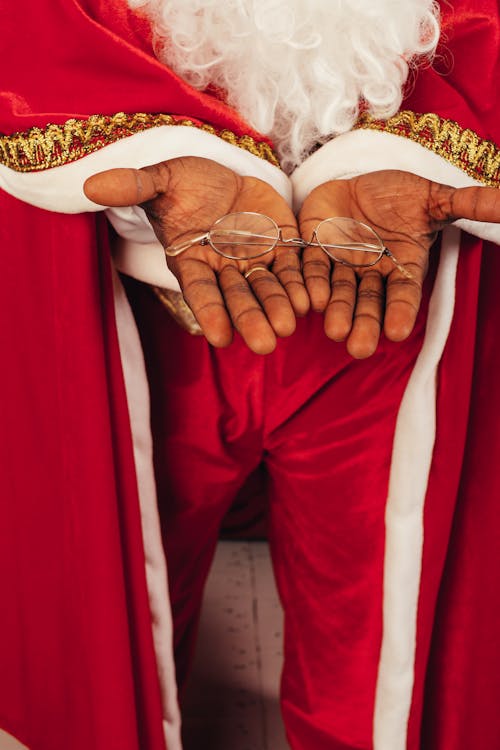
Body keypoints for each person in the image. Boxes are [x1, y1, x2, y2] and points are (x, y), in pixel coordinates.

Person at [1, 2, 499, 750]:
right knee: (110, 610)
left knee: (381, 641)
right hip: (142, 294)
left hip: (393, 295)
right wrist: (163, 142)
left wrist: (409, 151)